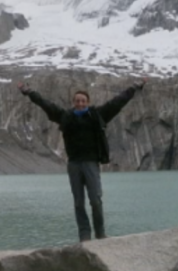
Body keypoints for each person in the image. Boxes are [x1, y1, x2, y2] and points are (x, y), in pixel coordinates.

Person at [17, 78, 146, 242]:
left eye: (83, 101)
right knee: (79, 203)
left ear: (88, 102)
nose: (80, 103)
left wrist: (134, 88)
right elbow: (45, 104)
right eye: (77, 101)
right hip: (74, 164)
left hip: (91, 163)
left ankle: (100, 234)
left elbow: (117, 102)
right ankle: (84, 236)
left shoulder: (97, 115)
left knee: (95, 200)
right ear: (73, 102)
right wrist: (29, 93)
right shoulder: (65, 116)